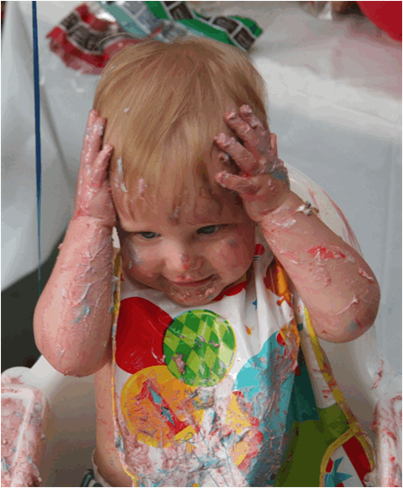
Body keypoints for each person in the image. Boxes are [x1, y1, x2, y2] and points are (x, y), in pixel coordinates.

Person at [34, 37, 380, 488]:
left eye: (210, 230)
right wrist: (88, 224)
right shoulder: (105, 268)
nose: (181, 262)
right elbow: (67, 356)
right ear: (116, 217)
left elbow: (351, 317)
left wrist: (277, 206)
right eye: (147, 234)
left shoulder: (273, 256)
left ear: (248, 209)